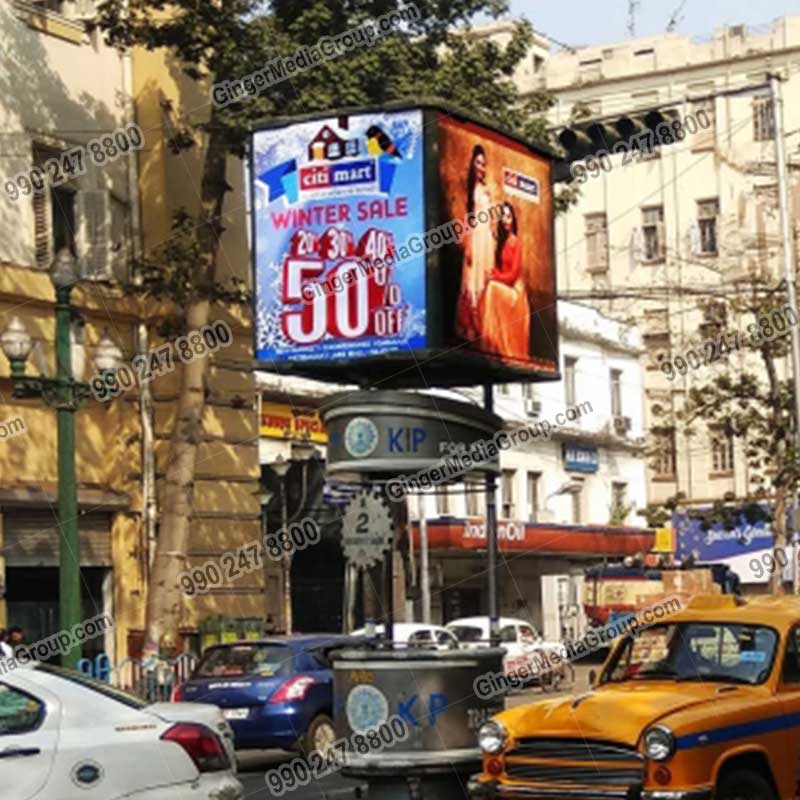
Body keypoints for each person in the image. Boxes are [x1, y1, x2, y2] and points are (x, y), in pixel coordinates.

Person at [479, 201, 530, 359]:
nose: (506, 220)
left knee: (492, 288)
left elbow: (513, 275)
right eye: (503, 217)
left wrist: (495, 277)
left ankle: (492, 343)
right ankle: (490, 341)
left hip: (515, 291)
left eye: (509, 217)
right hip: (504, 286)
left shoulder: (516, 242)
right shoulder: (501, 244)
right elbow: (501, 270)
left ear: (513, 219)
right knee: (488, 288)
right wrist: (492, 274)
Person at [457, 144, 495, 343]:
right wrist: (469, 243)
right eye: (478, 163)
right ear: (472, 164)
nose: (481, 167)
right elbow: (469, 219)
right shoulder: (471, 189)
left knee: (485, 281)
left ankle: (483, 327)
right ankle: (470, 327)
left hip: (487, 238)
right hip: (476, 237)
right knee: (472, 282)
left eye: (484, 164)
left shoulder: (487, 190)